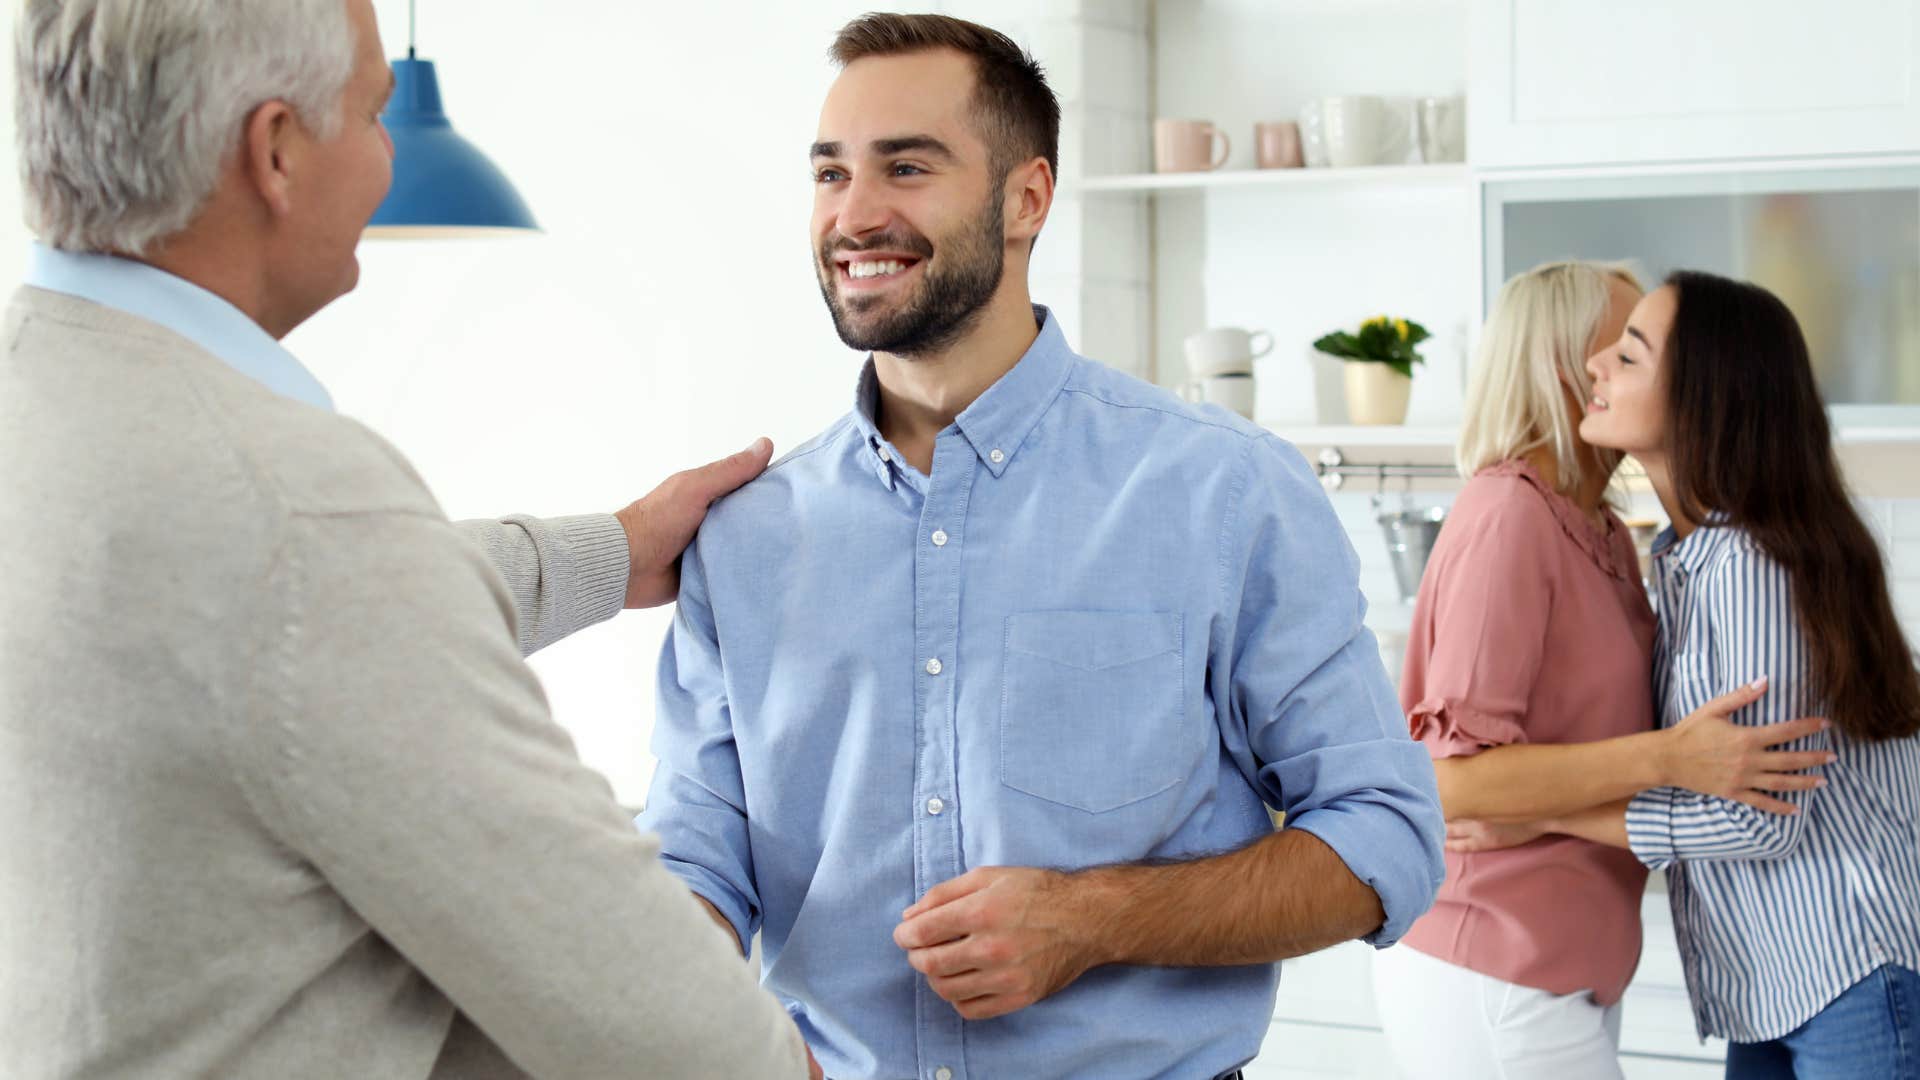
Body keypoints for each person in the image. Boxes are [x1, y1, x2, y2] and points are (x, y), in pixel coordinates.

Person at [0, 2, 815, 1076]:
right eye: (376, 111)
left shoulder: (53, 403)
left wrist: (610, 552)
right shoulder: (297, 514)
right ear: (277, 151)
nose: (388, 157)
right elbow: (680, 1033)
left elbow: (263, 618)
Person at [634, 13, 1445, 1080]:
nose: (855, 214)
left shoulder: (1222, 491)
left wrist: (1096, 917)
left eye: (906, 167)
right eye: (830, 175)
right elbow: (697, 847)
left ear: (1027, 198)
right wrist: (694, 1012)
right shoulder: (742, 532)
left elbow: (1385, 837)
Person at [1449, 270, 1920, 1079]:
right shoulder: (1684, 560)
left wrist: (1548, 820)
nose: (1596, 365)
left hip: (1851, 971)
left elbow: (1757, 821)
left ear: (1702, 396)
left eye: (1629, 355)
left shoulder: (1749, 564)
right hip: (1774, 982)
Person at [1370, 261, 1831, 1080]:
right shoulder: (1509, 516)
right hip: (1493, 961)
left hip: (1558, 963)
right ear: (1561, 365)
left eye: (1629, 352)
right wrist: (1668, 760)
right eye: (1615, 344)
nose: (1606, 367)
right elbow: (1455, 782)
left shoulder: (1608, 532)